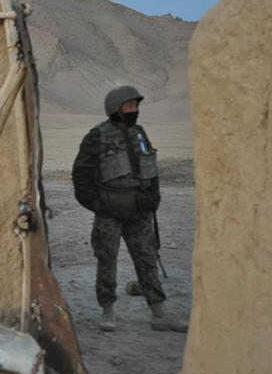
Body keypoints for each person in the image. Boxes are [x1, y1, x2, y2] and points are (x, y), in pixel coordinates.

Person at [71, 85, 188, 333]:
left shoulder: (139, 133)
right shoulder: (97, 136)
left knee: (147, 260)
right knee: (107, 260)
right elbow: (81, 176)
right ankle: (108, 312)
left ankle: (159, 315)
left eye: (135, 106)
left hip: (140, 210)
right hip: (110, 212)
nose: (134, 110)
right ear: (115, 109)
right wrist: (97, 205)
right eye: (129, 106)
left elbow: (150, 168)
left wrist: (153, 198)